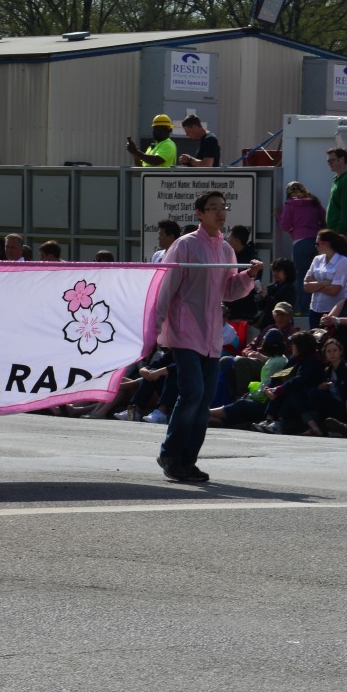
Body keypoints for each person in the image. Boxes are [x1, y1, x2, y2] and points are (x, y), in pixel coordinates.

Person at [151, 190, 262, 483]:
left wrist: (248, 277)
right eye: (212, 208)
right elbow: (167, 287)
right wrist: (155, 326)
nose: (220, 213)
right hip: (184, 330)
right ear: (199, 213)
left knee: (203, 401)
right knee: (193, 393)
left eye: (222, 207)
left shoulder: (225, 249)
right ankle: (171, 453)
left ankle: (187, 460)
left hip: (211, 335)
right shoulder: (185, 245)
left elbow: (229, 291)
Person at [276, 182, 325, 319]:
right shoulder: (314, 202)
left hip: (300, 244)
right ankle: (319, 308)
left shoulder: (290, 204)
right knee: (318, 276)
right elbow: (324, 219)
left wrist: (278, 216)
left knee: (302, 277)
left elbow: (285, 226)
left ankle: (305, 310)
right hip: (317, 243)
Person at [302, 228, 347, 328]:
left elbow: (335, 290)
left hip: (333, 311)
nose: (316, 246)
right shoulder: (317, 259)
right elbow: (306, 286)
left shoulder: (343, 261)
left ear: (326, 244)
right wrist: (324, 283)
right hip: (315, 309)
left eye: (317, 243)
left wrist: (315, 284)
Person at [325, 147, 347, 254]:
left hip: (343, 233)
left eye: (332, 160)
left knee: (343, 265)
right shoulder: (338, 180)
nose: (329, 163)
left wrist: (338, 234)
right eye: (328, 161)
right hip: (336, 232)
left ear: (342, 160)